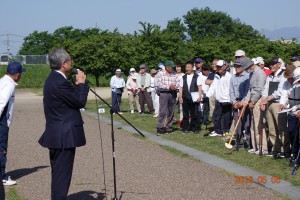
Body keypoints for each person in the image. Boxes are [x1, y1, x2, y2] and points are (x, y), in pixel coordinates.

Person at [38, 48, 89, 200]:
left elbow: (68, 101)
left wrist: (76, 86)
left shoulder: (53, 79)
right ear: (63, 64)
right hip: (63, 137)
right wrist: (81, 84)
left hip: (57, 133)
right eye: (70, 61)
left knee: (58, 174)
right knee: (62, 176)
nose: (72, 64)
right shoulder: (59, 82)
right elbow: (80, 101)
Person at [0, 62, 25, 186]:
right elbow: (1, 103)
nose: (21, 76)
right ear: (17, 74)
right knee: (1, 149)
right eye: (21, 74)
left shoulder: (3, 81)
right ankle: (2, 177)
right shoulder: (8, 85)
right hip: (1, 121)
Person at [261, 57, 290, 158]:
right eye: (270, 64)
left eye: (274, 64)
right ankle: (275, 149)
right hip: (269, 103)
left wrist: (269, 98)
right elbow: (265, 89)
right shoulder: (270, 76)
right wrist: (263, 101)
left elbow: (281, 90)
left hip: (278, 103)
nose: (271, 66)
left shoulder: (283, 74)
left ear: (279, 64)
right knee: (272, 129)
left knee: (281, 128)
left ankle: (285, 150)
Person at [243, 57, 267, 154]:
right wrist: (246, 100)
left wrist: (252, 101)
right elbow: (250, 88)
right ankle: (255, 146)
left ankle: (263, 147)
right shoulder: (251, 73)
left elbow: (260, 89)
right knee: (253, 124)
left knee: (259, 124)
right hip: (252, 99)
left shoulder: (260, 73)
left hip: (258, 99)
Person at [229, 60, 250, 149]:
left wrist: (242, 102)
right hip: (236, 102)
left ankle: (249, 144)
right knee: (237, 125)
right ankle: (239, 143)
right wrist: (234, 102)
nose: (237, 68)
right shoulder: (233, 78)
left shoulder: (247, 76)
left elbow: (248, 90)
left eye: (239, 66)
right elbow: (231, 91)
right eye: (236, 66)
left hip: (244, 102)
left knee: (246, 124)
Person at [209, 60, 232, 136]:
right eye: (218, 67)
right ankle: (218, 131)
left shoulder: (229, 76)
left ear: (224, 66)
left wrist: (229, 99)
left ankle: (226, 131)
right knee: (217, 115)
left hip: (226, 100)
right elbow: (213, 86)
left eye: (220, 67)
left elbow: (230, 88)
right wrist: (208, 95)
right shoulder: (216, 75)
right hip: (219, 99)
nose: (219, 68)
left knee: (226, 117)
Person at [156, 60, 179, 135]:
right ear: (167, 67)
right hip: (164, 93)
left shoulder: (175, 74)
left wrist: (175, 86)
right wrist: (169, 86)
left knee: (171, 111)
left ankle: (169, 127)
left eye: (173, 67)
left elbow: (178, 82)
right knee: (162, 111)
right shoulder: (160, 73)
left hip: (173, 93)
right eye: (171, 67)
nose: (172, 68)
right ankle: (160, 127)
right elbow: (159, 84)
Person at [179, 61, 202, 134]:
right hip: (185, 97)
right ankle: (185, 128)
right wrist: (180, 97)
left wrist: (199, 96)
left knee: (195, 114)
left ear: (192, 67)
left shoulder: (197, 76)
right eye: (186, 67)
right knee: (185, 114)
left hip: (194, 97)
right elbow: (181, 87)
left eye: (188, 67)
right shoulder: (183, 77)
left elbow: (199, 87)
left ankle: (195, 128)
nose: (187, 68)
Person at [279, 64, 297, 158]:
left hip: (298, 108)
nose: (289, 79)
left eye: (290, 77)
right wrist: (282, 103)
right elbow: (284, 94)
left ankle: (296, 152)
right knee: (290, 131)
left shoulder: (298, 82)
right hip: (290, 109)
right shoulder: (286, 83)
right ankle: (293, 151)